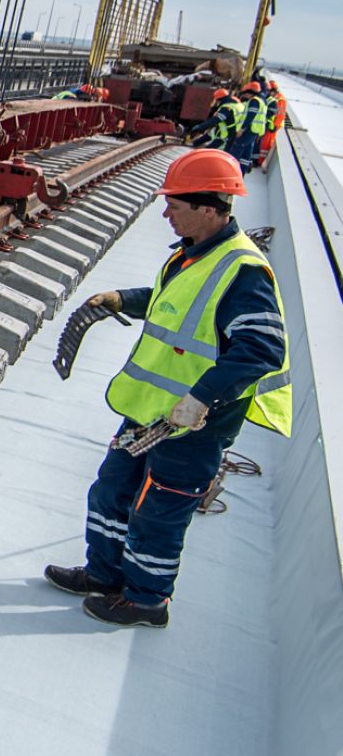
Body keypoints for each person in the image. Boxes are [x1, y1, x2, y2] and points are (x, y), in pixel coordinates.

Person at [45, 148, 291, 627]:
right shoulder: (195, 254)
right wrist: (123, 299)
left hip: (196, 423)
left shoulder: (243, 272)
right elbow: (172, 305)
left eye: (174, 206)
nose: (165, 213)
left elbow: (262, 350)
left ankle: (147, 600)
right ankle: (104, 574)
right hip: (153, 410)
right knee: (111, 492)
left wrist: (200, 398)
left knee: (159, 512)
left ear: (208, 208)